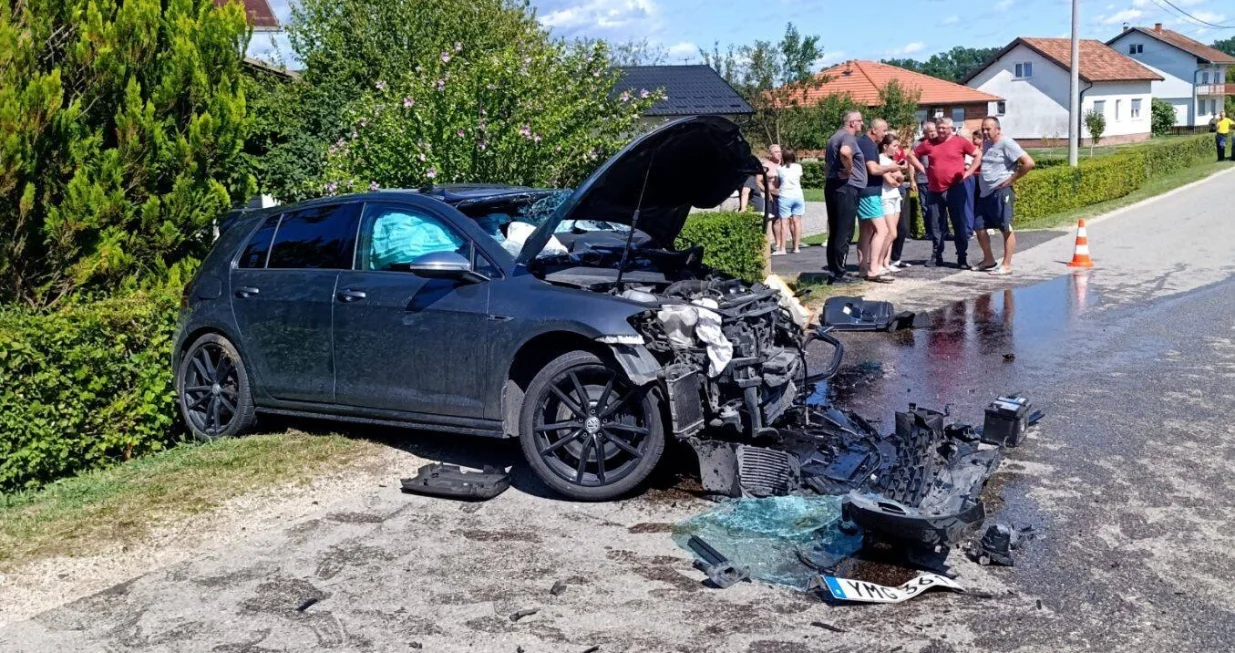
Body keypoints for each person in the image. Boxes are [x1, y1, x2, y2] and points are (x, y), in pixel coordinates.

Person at [909, 117, 979, 269]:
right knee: (936, 225)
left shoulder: (960, 142)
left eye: (944, 128)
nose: (940, 131)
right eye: (939, 127)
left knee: (959, 223)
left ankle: (962, 256)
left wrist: (969, 173)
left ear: (951, 128)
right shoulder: (929, 143)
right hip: (935, 190)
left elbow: (978, 155)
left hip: (956, 189)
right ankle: (936, 255)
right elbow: (911, 155)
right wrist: (923, 169)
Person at [974, 116, 1035, 275]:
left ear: (998, 129)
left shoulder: (1007, 143)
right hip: (985, 193)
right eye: (983, 129)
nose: (985, 132)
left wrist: (1011, 179)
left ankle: (1006, 265)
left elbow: (1029, 163)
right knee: (979, 227)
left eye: (988, 129)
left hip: (1001, 192)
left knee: (1005, 227)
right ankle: (988, 260)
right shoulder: (986, 144)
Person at [855, 119, 901, 281]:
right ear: (874, 130)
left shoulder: (865, 143)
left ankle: (863, 268)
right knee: (882, 230)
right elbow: (873, 169)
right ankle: (874, 269)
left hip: (866, 192)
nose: (886, 134)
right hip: (869, 193)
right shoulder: (867, 144)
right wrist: (892, 168)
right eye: (884, 130)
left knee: (866, 231)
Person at [824, 111, 866, 282]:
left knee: (835, 230)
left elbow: (827, 165)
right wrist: (849, 170)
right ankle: (840, 273)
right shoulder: (848, 138)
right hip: (846, 188)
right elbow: (845, 152)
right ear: (852, 123)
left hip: (833, 186)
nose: (862, 124)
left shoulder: (834, 137)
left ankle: (834, 270)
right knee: (845, 230)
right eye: (860, 121)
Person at [876, 134, 907, 278]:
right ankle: (879, 261)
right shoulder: (881, 159)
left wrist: (897, 176)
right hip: (886, 197)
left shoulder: (890, 160)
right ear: (885, 146)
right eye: (894, 146)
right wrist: (895, 176)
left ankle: (887, 262)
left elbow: (901, 176)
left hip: (895, 196)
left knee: (892, 234)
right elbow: (891, 181)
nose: (896, 149)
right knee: (891, 232)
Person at [771, 149, 806, 254]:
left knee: (784, 222)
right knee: (797, 221)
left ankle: (782, 248)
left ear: (783, 158)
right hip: (798, 195)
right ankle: (796, 247)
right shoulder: (798, 167)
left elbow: (776, 185)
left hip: (785, 196)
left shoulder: (779, 169)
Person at [763, 145, 783, 250]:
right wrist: (767, 192)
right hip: (771, 196)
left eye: (780, 151)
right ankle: (772, 243)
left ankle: (781, 242)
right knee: (772, 219)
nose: (779, 153)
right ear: (771, 154)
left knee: (783, 219)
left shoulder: (785, 165)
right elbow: (758, 181)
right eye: (776, 152)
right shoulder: (766, 165)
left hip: (783, 195)